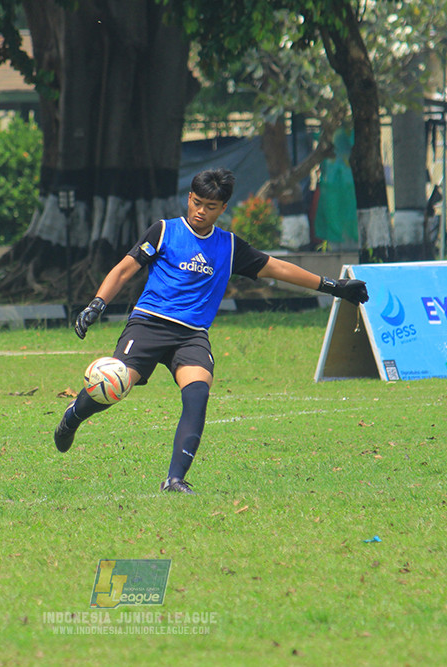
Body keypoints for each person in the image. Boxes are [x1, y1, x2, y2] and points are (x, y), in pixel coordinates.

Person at [53, 168, 369, 494]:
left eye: (211, 206)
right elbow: (123, 269)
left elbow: (277, 268)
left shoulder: (229, 247)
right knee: (116, 384)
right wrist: (97, 304)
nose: (201, 211)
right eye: (197, 202)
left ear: (223, 208)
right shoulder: (164, 231)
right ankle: (73, 416)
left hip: (191, 335)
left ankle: (174, 480)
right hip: (149, 323)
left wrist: (334, 286)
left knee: (198, 394)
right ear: (189, 198)